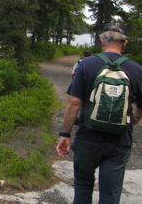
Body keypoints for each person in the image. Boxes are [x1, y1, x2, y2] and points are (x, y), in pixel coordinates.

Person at [56, 23, 142, 203]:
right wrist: (135, 117)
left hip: (88, 136)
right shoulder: (136, 69)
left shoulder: (86, 64)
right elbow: (140, 106)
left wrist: (65, 134)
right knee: (111, 193)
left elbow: (74, 102)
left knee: (83, 184)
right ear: (124, 43)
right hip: (120, 140)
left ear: (102, 40)